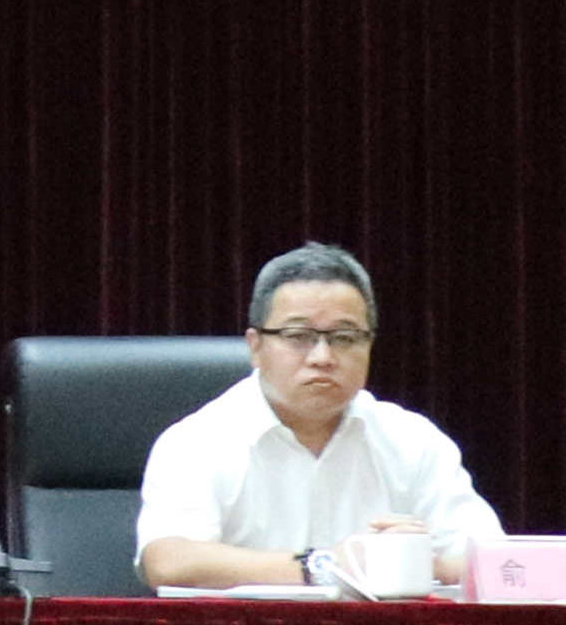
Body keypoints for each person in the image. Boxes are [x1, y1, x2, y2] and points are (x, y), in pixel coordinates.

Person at [134, 243, 499, 590]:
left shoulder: (413, 441)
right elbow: (168, 562)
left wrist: (420, 561)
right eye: (299, 336)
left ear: (369, 345)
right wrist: (325, 565)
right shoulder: (197, 441)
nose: (322, 357)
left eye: (345, 337)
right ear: (256, 347)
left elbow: (496, 563)